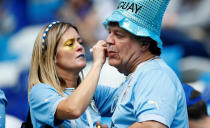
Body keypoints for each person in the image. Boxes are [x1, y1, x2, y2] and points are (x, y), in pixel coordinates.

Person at [96, 0, 189, 127]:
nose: (108, 40)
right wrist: (96, 65)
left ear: (144, 43)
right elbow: (80, 97)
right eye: (109, 33)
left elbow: (152, 126)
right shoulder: (139, 75)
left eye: (119, 35)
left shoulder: (154, 75)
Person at [28, 21, 107, 127]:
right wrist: (97, 64)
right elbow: (73, 109)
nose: (80, 47)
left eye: (80, 42)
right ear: (50, 57)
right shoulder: (39, 92)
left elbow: (131, 96)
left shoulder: (93, 92)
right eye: (70, 44)